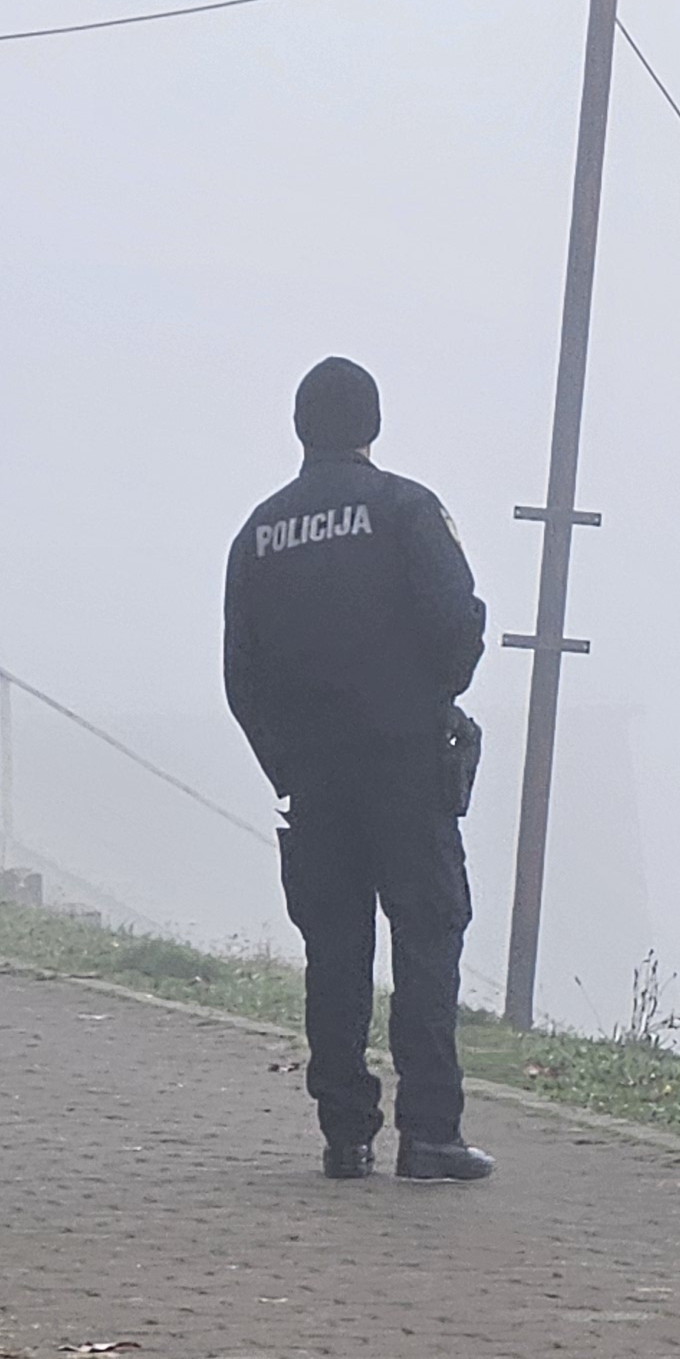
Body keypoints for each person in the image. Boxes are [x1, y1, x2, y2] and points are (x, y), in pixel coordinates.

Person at [223, 356, 494, 1182]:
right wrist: (429, 700)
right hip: (405, 765)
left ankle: (346, 1133)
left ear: (301, 427)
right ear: (371, 425)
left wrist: (286, 760)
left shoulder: (261, 532)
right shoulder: (406, 508)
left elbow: (242, 674)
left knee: (334, 946)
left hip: (313, 776)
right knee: (427, 936)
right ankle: (430, 1133)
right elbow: (456, 622)